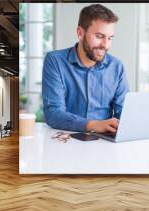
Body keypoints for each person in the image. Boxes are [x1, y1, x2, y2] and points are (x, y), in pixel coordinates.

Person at [42, 4, 129, 134]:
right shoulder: (55, 61)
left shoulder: (116, 66)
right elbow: (53, 114)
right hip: (67, 140)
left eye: (110, 38)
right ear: (80, 33)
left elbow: (123, 111)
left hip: (104, 142)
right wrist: (93, 125)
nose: (105, 45)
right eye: (99, 36)